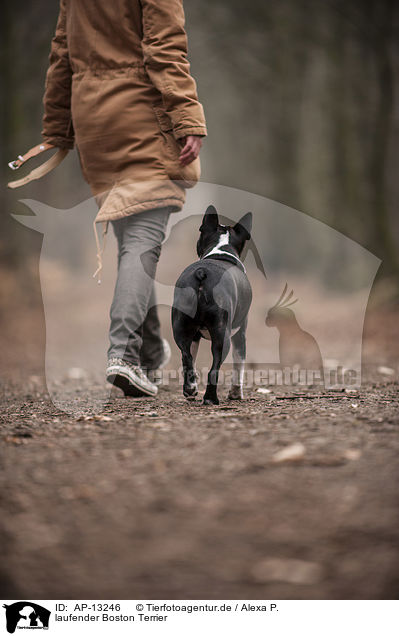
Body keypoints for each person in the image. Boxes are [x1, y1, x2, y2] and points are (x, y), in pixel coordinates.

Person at [41, 0, 207, 397]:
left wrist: (59, 126)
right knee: (142, 239)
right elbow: (165, 49)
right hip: (139, 112)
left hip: (92, 120)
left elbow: (61, 53)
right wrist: (188, 117)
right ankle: (124, 356)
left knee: (133, 238)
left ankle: (147, 351)